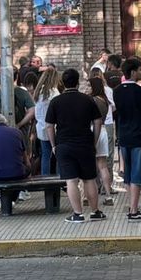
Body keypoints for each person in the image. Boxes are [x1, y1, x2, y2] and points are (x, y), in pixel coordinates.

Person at [46, 68, 104, 223]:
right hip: (85, 143)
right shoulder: (87, 100)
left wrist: (53, 145)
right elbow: (98, 121)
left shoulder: (56, 102)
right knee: (89, 179)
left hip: (64, 144)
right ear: (77, 82)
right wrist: (94, 140)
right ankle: (95, 211)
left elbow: (49, 126)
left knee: (71, 180)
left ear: (63, 83)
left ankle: (78, 214)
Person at [112, 58, 141, 221]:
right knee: (137, 174)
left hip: (123, 136)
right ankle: (134, 210)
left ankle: (132, 206)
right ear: (132, 72)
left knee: (128, 174)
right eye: (138, 70)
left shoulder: (116, 91)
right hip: (140, 136)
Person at [87, 75, 115, 205]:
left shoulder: (91, 100)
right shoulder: (104, 100)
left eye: (89, 85)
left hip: (92, 131)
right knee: (103, 166)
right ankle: (108, 195)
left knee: (89, 166)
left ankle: (87, 196)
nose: (87, 87)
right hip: (103, 130)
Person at [32, 68, 63, 176]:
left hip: (41, 127)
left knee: (45, 156)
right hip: (53, 128)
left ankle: (45, 179)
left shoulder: (38, 92)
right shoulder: (54, 93)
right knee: (59, 156)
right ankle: (60, 179)